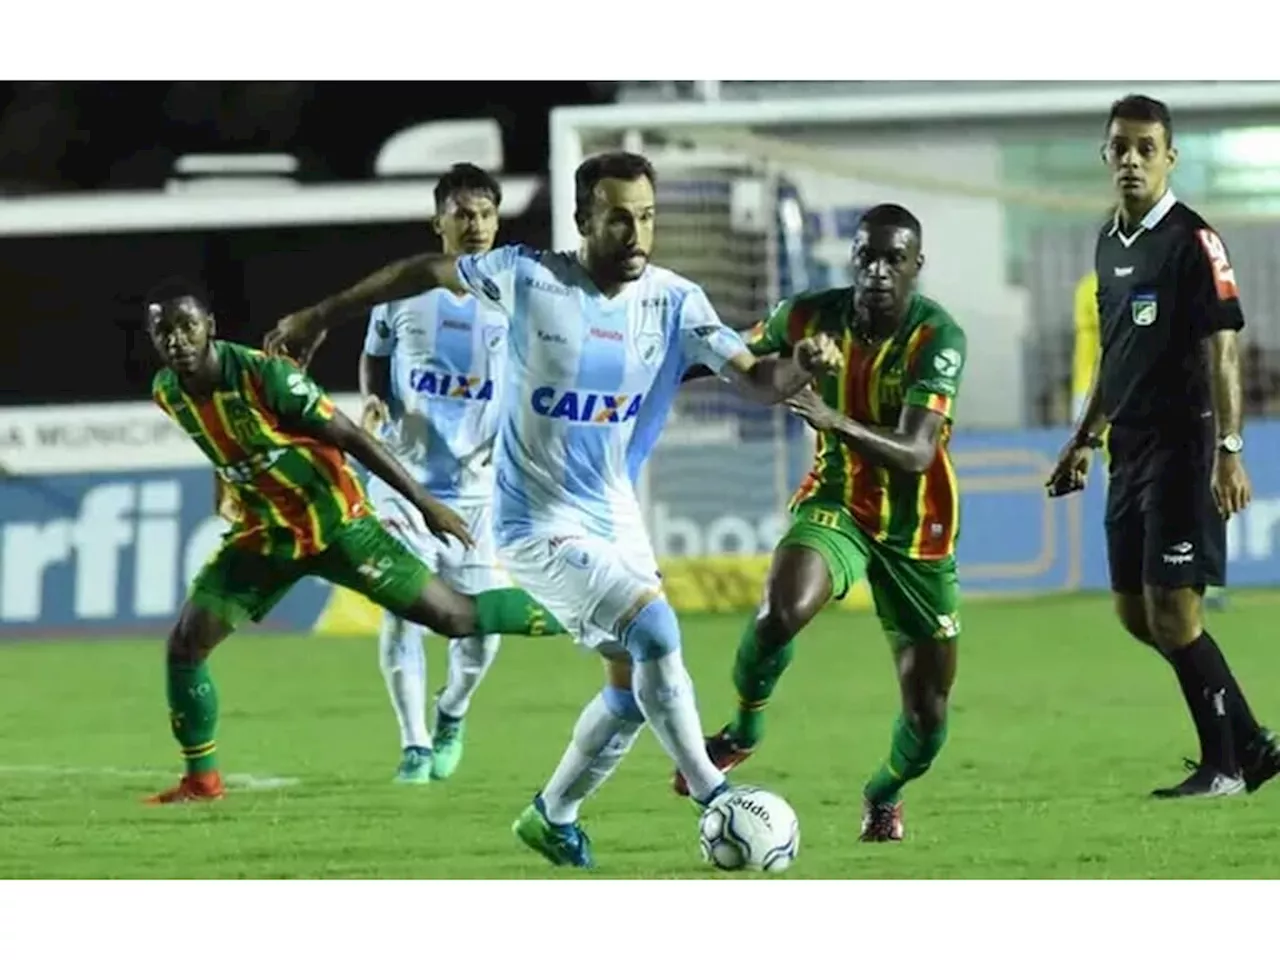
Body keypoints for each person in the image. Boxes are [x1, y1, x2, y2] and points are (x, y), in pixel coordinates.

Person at [264, 150, 842, 866]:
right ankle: (713, 794)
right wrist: (322, 315)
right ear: (583, 220)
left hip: (613, 512)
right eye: (619, 219)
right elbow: (420, 272)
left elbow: (759, 380)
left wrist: (803, 368)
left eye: (648, 218)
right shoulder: (527, 277)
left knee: (634, 690)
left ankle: (553, 814)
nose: (636, 234)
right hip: (533, 520)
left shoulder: (675, 301)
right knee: (656, 632)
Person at [144, 279, 564, 805]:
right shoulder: (168, 391)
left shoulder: (262, 376)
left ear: (211, 328)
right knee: (186, 644)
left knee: (454, 618)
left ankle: (580, 610)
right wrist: (225, 485)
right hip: (266, 535)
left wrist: (424, 504)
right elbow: (220, 443)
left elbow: (352, 437)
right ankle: (201, 782)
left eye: (187, 326)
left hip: (337, 525)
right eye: (165, 331)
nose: (178, 339)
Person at [673, 204, 966, 843]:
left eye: (895, 259)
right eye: (868, 256)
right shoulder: (807, 316)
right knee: (778, 611)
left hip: (919, 533)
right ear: (852, 259)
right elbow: (729, 356)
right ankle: (743, 731)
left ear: (917, 266)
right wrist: (652, 372)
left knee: (928, 719)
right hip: (837, 502)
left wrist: (837, 422)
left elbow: (918, 453)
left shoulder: (937, 338)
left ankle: (883, 793)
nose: (879, 270)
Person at [1047, 94, 1280, 798]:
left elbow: (1225, 353)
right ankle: (1252, 742)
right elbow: (1117, 358)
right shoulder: (1107, 246)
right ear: (1105, 155)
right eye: (1120, 146)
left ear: (1169, 157)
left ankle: (1226, 767)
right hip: (1130, 450)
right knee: (1136, 613)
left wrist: (1230, 449)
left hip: (1188, 443)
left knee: (1175, 611)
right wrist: (1084, 440)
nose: (1131, 159)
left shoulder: (1193, 240)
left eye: (1147, 147)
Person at [361, 163, 510, 784]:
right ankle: (415, 745)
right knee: (403, 609)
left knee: (483, 633)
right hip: (404, 481)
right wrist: (374, 401)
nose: (474, 225)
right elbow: (374, 360)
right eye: (462, 214)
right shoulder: (404, 292)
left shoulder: (519, 297)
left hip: (481, 492)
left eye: (484, 214)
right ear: (439, 222)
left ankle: (451, 711)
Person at [1072, 270, 1228, 610]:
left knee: (1180, 483)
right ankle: (1143, 573)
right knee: (1131, 483)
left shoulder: (1177, 279)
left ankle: (1191, 575)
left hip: (1159, 397)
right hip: (1109, 395)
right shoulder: (1099, 286)